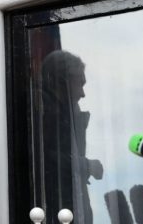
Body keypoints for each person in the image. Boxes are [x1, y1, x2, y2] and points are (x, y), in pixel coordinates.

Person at [41, 50, 103, 224]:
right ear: (62, 82)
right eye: (80, 84)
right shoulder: (45, 111)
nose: (83, 94)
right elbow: (45, 157)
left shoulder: (66, 113)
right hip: (56, 209)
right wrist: (86, 165)